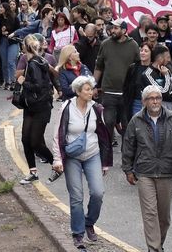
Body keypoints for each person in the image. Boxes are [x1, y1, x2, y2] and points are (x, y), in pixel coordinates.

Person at [121, 85, 172, 252]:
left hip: (166, 172)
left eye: (158, 98)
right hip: (144, 172)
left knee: (164, 217)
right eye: (151, 98)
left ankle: (158, 244)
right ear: (144, 102)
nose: (155, 101)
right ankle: (154, 248)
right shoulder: (136, 121)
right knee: (150, 213)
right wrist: (128, 169)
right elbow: (128, 146)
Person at [51, 75, 112, 250]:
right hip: (72, 157)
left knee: (98, 193)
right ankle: (78, 233)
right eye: (87, 89)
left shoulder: (97, 109)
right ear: (78, 91)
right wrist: (57, 159)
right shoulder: (67, 107)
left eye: (91, 89)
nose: (91, 92)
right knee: (76, 197)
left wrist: (105, 162)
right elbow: (58, 134)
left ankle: (89, 222)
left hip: (93, 154)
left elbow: (104, 136)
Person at [93, 19, 140, 146]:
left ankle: (127, 158)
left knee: (127, 125)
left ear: (124, 31)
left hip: (126, 93)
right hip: (108, 91)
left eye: (116, 28)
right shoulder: (105, 44)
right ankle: (106, 156)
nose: (112, 30)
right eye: (112, 28)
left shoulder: (133, 45)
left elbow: (139, 66)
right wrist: (93, 85)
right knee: (108, 122)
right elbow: (99, 67)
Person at [18, 35, 56, 184]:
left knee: (35, 142)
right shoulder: (38, 60)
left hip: (40, 106)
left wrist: (23, 82)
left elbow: (38, 86)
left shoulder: (34, 63)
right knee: (25, 139)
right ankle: (33, 172)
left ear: (26, 47)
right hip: (31, 105)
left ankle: (56, 164)